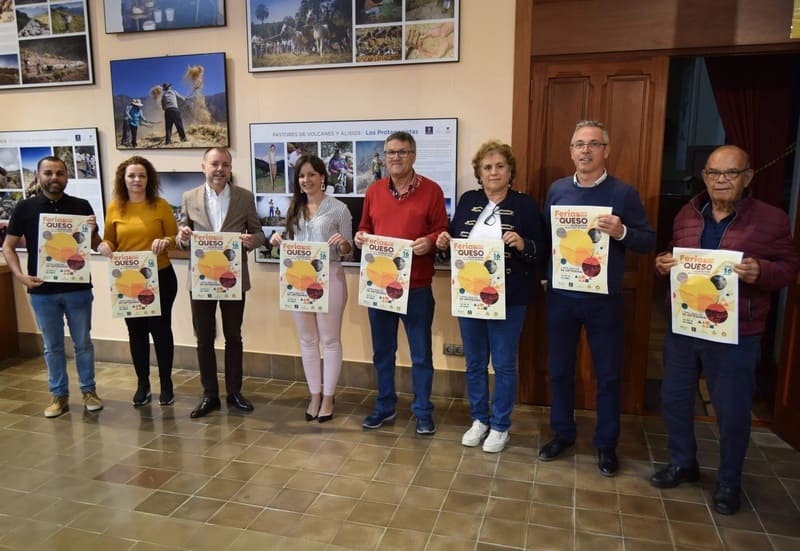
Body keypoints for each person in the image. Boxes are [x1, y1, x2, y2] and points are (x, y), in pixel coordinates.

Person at [651, 145, 799, 515]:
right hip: (685, 327)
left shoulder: (771, 219)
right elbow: (674, 255)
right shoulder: (687, 214)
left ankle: (729, 482)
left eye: (730, 173)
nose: (721, 180)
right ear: (703, 176)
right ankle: (683, 463)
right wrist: (662, 263)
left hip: (736, 334)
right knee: (674, 400)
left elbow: (788, 268)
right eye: (714, 173)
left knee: (732, 412)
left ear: (747, 177)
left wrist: (761, 272)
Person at [538, 120, 655, 476]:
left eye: (592, 144)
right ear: (571, 151)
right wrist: (546, 274)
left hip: (604, 299)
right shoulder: (557, 190)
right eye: (578, 144)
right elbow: (548, 238)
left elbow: (647, 241)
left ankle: (606, 444)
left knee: (606, 375)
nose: (585, 151)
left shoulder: (623, 193)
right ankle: (563, 433)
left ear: (606, 150)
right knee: (559, 371)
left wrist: (621, 231)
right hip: (561, 296)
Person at [436, 140, 545, 453]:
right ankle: (479, 420)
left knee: (504, 364)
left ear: (510, 171)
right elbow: (455, 245)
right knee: (474, 363)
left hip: (509, 298)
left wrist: (523, 244)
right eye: (487, 167)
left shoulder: (525, 205)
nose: (494, 172)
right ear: (479, 173)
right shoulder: (468, 200)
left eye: (500, 166)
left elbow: (540, 251)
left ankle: (500, 425)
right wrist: (445, 240)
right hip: (469, 296)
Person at [355, 130, 449, 434]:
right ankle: (385, 406)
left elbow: (442, 231)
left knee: (421, 354)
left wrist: (430, 242)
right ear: (385, 156)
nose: (396, 157)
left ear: (414, 156)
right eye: (391, 152)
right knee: (383, 352)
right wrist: (359, 236)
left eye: (403, 152)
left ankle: (423, 411)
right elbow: (365, 227)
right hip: (380, 286)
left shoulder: (433, 191)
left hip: (417, 287)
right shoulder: (374, 191)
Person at [2, 156, 103, 418]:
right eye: (48, 173)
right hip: (42, 291)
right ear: (39, 176)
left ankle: (89, 391)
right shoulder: (25, 207)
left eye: (59, 173)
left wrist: (92, 232)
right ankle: (59, 396)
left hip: (78, 289)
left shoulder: (81, 206)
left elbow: (94, 245)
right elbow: (8, 247)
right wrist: (21, 277)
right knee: (52, 347)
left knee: (83, 343)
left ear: (66, 177)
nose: (54, 178)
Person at [178, 147, 266, 418]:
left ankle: (235, 392)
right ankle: (209, 395)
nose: (220, 169)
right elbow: (182, 237)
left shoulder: (244, 197)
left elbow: (259, 233)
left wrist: (253, 242)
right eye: (215, 164)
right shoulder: (188, 197)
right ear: (203, 166)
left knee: (233, 337)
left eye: (225, 165)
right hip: (202, 280)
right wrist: (182, 236)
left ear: (230, 169)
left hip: (233, 279)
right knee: (203, 338)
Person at [270, 155, 353, 423]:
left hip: (330, 277)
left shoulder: (339, 209)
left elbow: (349, 252)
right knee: (307, 341)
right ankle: (314, 395)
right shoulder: (294, 208)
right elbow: (291, 247)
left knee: (330, 341)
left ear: (323, 176)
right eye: (302, 176)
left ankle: (328, 397)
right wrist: (278, 241)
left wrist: (343, 244)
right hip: (299, 280)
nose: (306, 180)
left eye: (311, 174)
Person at [98, 156, 179, 406]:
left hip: (160, 277)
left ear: (149, 179)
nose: (137, 180)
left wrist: (166, 241)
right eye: (132, 176)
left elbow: (175, 237)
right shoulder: (115, 208)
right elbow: (110, 239)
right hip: (128, 279)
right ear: (123, 179)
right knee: (136, 333)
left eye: (142, 176)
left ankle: (166, 384)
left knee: (161, 331)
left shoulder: (160, 205)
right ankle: (143, 384)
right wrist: (104, 246)